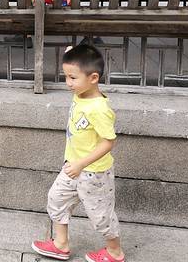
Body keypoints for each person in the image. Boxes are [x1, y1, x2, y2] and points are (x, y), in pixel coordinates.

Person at [32, 45, 124, 262]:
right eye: (66, 76)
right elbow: (79, 65)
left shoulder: (99, 109)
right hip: (72, 167)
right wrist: (72, 53)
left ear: (93, 78)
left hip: (94, 173)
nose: (68, 83)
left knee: (101, 215)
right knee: (56, 199)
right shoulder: (80, 93)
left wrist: (81, 164)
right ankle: (60, 244)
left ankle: (115, 252)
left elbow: (109, 142)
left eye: (72, 77)